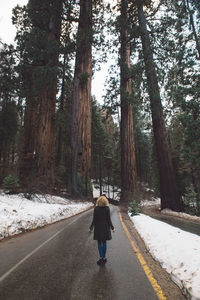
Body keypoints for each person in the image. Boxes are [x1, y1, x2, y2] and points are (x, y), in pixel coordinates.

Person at [89, 195, 115, 265]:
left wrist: (91, 228)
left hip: (98, 228)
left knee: (100, 243)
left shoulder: (96, 209)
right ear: (105, 201)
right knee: (104, 243)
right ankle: (104, 257)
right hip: (106, 228)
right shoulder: (107, 209)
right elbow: (109, 220)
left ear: (98, 201)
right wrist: (112, 227)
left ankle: (100, 258)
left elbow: (94, 220)